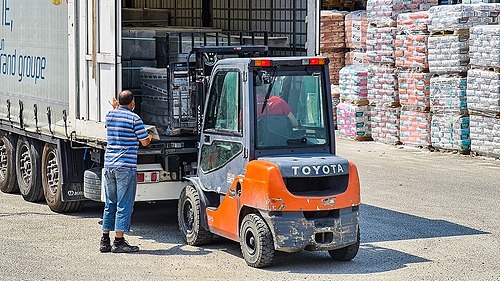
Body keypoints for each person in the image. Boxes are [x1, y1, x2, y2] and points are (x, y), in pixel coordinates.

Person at [100, 90, 152, 253]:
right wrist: (150, 136)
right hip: (125, 166)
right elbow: (144, 142)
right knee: (124, 204)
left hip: (109, 165)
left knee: (110, 203)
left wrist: (116, 108)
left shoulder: (110, 115)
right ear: (132, 103)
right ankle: (119, 241)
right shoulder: (135, 119)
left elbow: (115, 117)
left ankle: (104, 240)